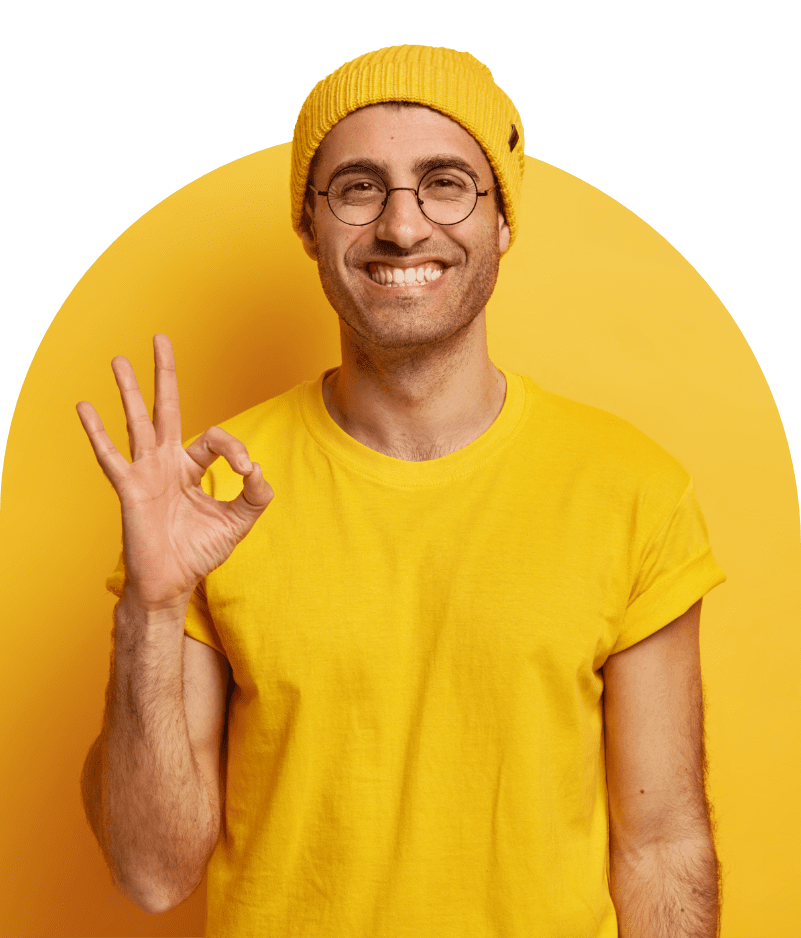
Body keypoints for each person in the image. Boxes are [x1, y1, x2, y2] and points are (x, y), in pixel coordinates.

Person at [77, 44, 726, 938]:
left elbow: (659, 849)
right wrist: (150, 608)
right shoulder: (214, 495)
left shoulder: (632, 491)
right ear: (309, 226)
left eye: (447, 182)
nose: (403, 226)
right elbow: (153, 873)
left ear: (503, 220)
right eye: (357, 187)